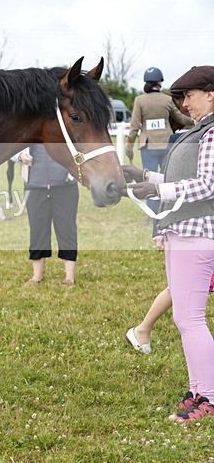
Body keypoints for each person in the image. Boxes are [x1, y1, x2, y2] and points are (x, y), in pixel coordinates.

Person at [125, 65, 214, 423]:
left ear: (210, 93)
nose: (183, 104)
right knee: (184, 318)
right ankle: (199, 389)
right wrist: (144, 176)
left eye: (188, 96)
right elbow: (184, 178)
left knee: (190, 320)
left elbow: (208, 185)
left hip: (198, 232)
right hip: (183, 230)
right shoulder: (200, 132)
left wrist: (159, 190)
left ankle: (207, 398)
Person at [127, 67, 195, 213]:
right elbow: (180, 118)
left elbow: (134, 126)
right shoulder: (167, 99)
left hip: (148, 145)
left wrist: (129, 145)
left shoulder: (140, 100)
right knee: (167, 178)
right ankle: (166, 210)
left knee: (148, 178)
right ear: (160, 82)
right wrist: (196, 121)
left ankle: (151, 213)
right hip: (166, 143)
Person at [13, 145, 78, 285]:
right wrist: (20, 156)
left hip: (65, 186)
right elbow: (10, 148)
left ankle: (69, 277)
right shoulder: (29, 125)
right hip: (34, 186)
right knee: (37, 230)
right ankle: (37, 276)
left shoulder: (65, 125)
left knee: (67, 229)